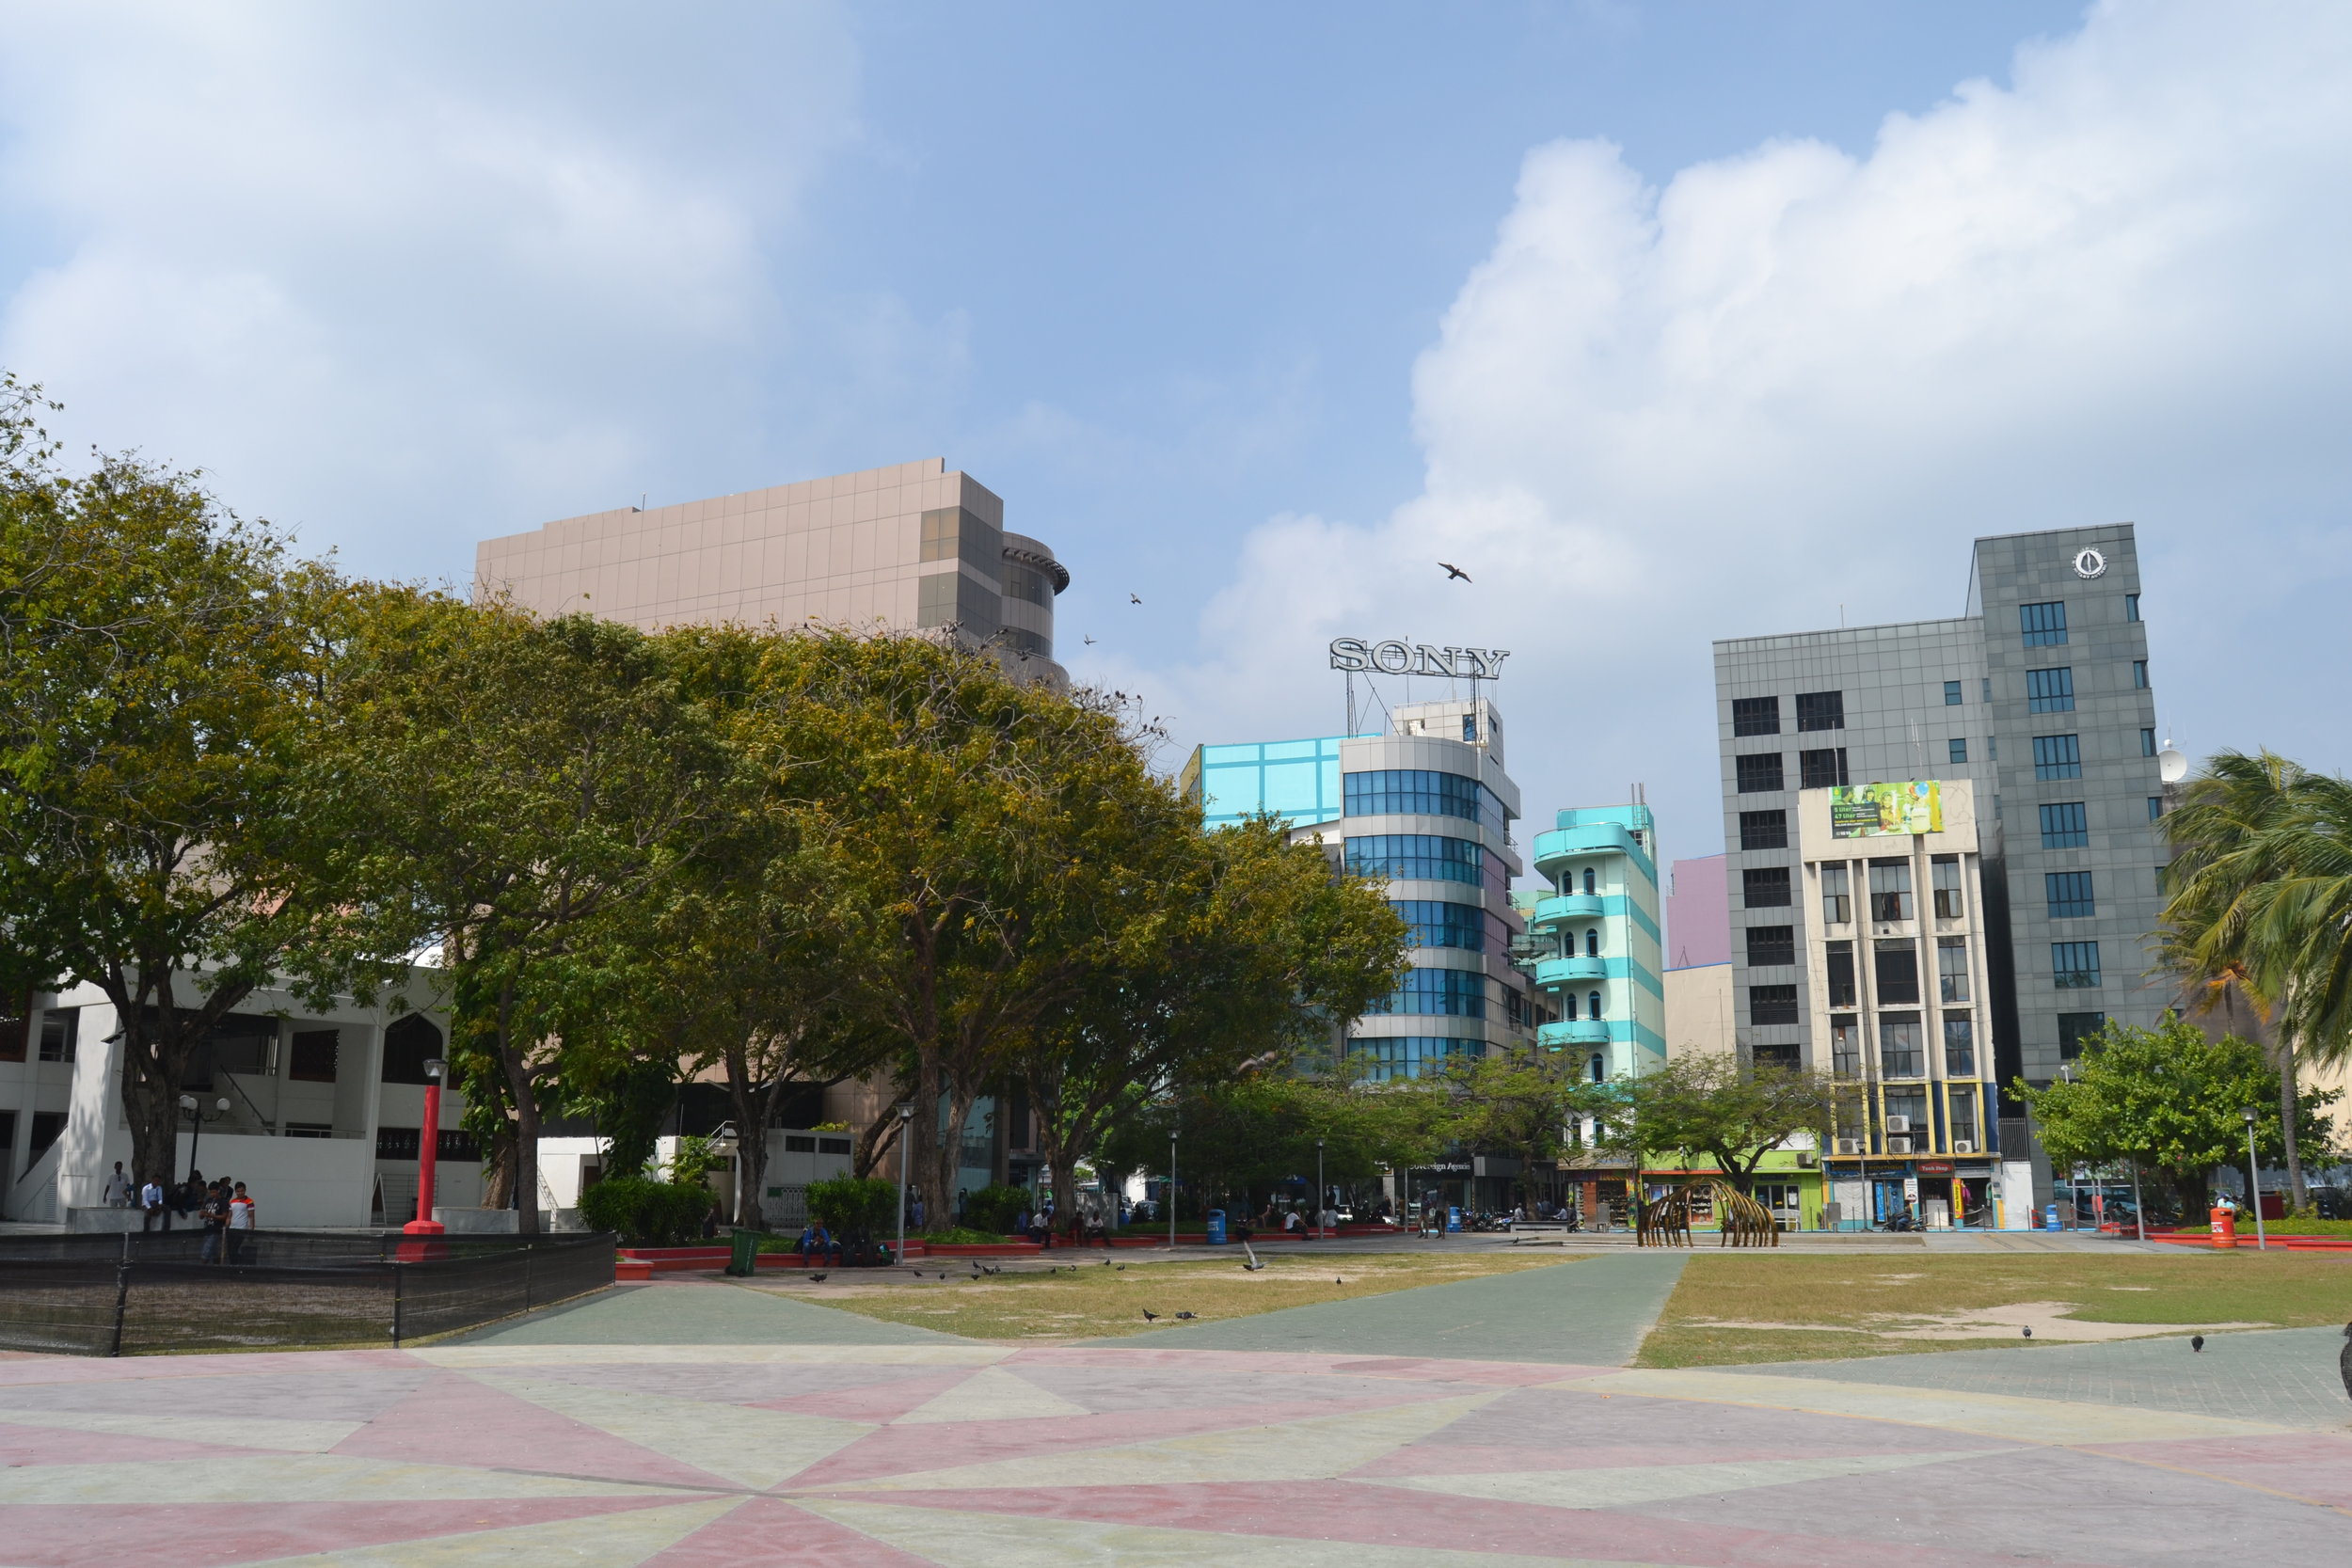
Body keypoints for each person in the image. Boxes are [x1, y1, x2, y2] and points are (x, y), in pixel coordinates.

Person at [226, 1181, 256, 1264]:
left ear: (245, 1190)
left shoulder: (249, 1201)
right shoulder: (232, 1201)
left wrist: (251, 1230)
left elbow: (251, 1217)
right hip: (232, 1229)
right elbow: (229, 1216)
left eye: (242, 1191)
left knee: (235, 1248)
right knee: (230, 1250)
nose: (240, 1193)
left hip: (241, 1229)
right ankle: (233, 1264)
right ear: (235, 1191)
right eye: (238, 1191)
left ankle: (238, 1264)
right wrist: (226, 1227)